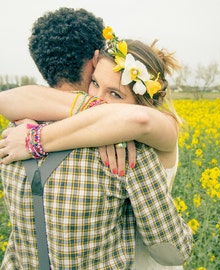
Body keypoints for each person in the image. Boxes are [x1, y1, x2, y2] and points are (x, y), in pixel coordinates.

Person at [0, 9, 192, 269]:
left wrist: (35, 139)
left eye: (115, 93)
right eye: (94, 84)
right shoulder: (110, 139)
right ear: (93, 62)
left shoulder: (150, 134)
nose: (100, 101)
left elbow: (138, 120)